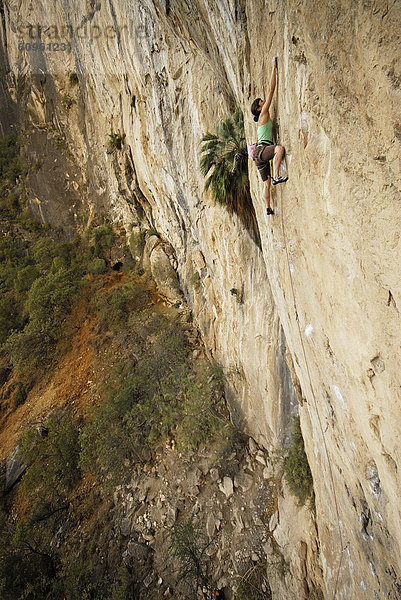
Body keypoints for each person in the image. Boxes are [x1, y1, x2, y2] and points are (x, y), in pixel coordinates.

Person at [250, 56, 288, 215]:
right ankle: (277, 176)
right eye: (261, 102)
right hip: (262, 151)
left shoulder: (260, 121)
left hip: (257, 155)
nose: (263, 101)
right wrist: (274, 68)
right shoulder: (264, 113)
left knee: (266, 185)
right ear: (259, 109)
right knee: (279, 149)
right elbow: (271, 90)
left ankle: (267, 208)